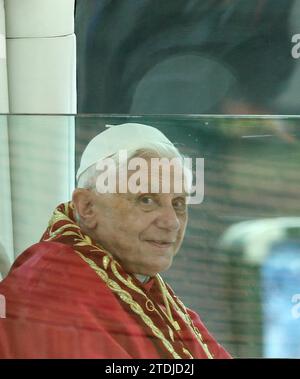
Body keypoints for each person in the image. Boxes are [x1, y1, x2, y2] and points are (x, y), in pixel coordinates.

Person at [0, 123, 231, 359]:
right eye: (147, 200)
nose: (172, 222)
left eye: (178, 204)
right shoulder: (55, 282)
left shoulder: (144, 284)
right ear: (87, 206)